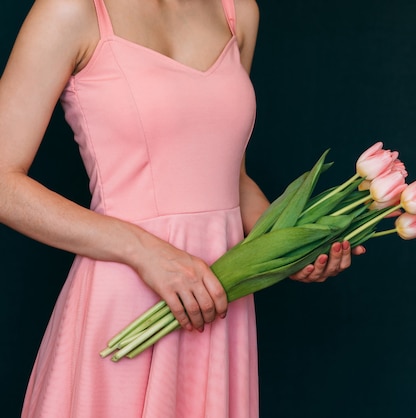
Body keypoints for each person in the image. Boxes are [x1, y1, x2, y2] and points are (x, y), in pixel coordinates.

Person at [0, 0, 365, 416]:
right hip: (127, 294)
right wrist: (143, 250)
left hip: (220, 297)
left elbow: (231, 176)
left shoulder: (237, 11)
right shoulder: (72, 10)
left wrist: (287, 246)